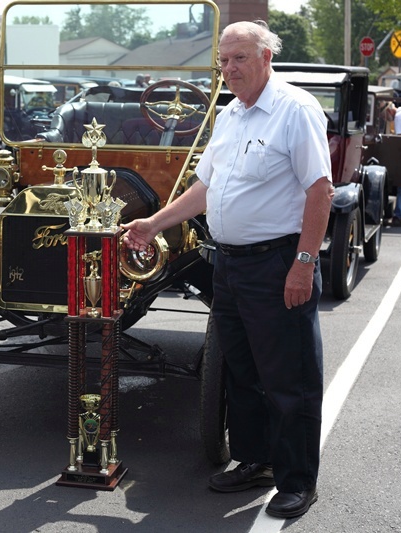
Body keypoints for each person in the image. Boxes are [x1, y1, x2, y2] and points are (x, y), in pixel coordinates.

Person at [121, 20, 333, 519]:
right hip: (231, 264)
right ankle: (256, 461)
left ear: (266, 57)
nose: (229, 69)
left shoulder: (295, 110)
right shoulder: (230, 114)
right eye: (223, 60)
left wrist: (303, 265)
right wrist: (154, 222)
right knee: (242, 372)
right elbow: (205, 188)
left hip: (278, 263)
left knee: (289, 378)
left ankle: (298, 481)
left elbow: (320, 191)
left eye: (239, 58)